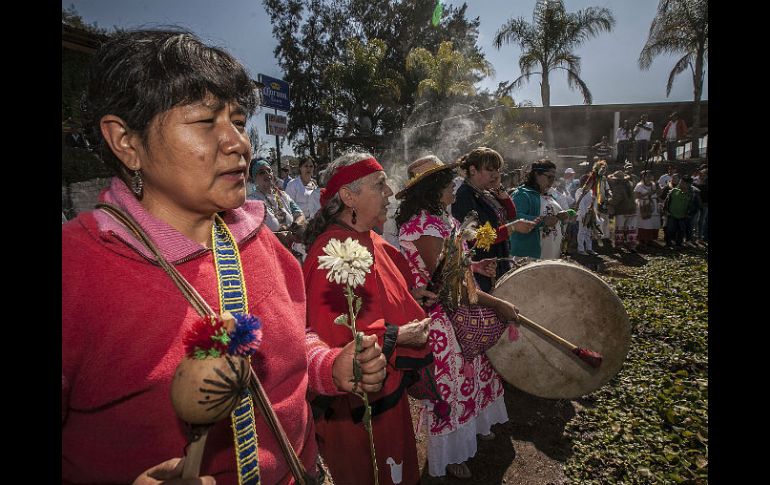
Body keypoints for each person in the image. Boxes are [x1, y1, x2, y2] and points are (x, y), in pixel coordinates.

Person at [62, 29, 388, 485]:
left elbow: (296, 339)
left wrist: (329, 365)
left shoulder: (262, 241)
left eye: (237, 121)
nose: (238, 143)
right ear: (126, 142)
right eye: (204, 121)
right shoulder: (75, 270)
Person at [302, 151, 435, 485]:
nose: (390, 192)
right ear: (349, 196)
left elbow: (383, 295)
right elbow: (333, 340)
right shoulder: (331, 252)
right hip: (358, 410)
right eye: (380, 184)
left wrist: (409, 299)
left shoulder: (370, 238)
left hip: (386, 394)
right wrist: (400, 335)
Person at [394, 155, 520, 480]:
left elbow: (457, 264)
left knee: (476, 372)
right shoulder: (423, 226)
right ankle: (449, 454)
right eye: (449, 183)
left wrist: (476, 267)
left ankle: (474, 430)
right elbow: (449, 282)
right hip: (440, 317)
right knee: (450, 383)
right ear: (435, 189)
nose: (454, 186)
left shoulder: (443, 219)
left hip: (459, 308)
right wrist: (497, 305)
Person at [452, 147, 537, 292]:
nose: (496, 174)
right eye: (490, 169)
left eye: (497, 170)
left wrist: (499, 189)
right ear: (473, 170)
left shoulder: (487, 191)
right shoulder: (465, 195)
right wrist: (512, 228)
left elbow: (511, 214)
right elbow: (476, 237)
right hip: (481, 267)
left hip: (496, 261)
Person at [509, 160, 572, 260]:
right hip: (529, 257)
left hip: (550, 255)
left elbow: (552, 217)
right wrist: (543, 221)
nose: (552, 181)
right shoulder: (523, 194)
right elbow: (513, 218)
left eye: (554, 178)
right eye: (549, 177)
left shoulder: (550, 195)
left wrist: (562, 217)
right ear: (536, 174)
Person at [248, 158, 307, 255]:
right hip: (270, 253)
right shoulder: (252, 201)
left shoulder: (283, 195)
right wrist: (278, 237)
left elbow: (300, 214)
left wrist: (294, 227)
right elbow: (253, 233)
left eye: (269, 171)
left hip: (293, 251)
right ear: (254, 178)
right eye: (262, 172)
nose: (267, 174)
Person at [607, 169, 638, 252]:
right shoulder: (630, 184)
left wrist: (609, 200)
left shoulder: (619, 187)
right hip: (632, 209)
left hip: (622, 210)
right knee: (631, 228)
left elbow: (616, 200)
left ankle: (619, 245)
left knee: (619, 228)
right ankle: (631, 245)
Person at [634, 170, 662, 247]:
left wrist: (658, 187)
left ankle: (650, 240)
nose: (649, 177)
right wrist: (648, 194)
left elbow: (660, 193)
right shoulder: (639, 185)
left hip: (653, 205)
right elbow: (636, 195)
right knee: (644, 222)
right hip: (644, 205)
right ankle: (642, 240)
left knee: (653, 222)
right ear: (643, 177)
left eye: (650, 175)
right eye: (647, 176)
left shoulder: (654, 184)